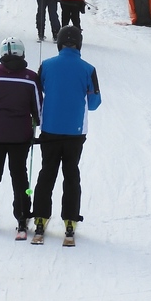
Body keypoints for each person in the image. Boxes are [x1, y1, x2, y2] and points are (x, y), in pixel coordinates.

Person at [31, 25, 101, 244]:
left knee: (47, 172)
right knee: (71, 174)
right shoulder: (88, 68)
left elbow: (37, 92)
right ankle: (70, 221)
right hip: (75, 132)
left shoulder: (46, 65)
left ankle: (41, 218)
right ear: (78, 44)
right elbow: (94, 104)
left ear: (59, 43)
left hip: (49, 129)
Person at [0, 37, 42, 240]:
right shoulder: (30, 78)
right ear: (22, 54)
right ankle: (22, 216)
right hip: (20, 135)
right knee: (19, 174)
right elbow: (38, 107)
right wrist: (37, 124)